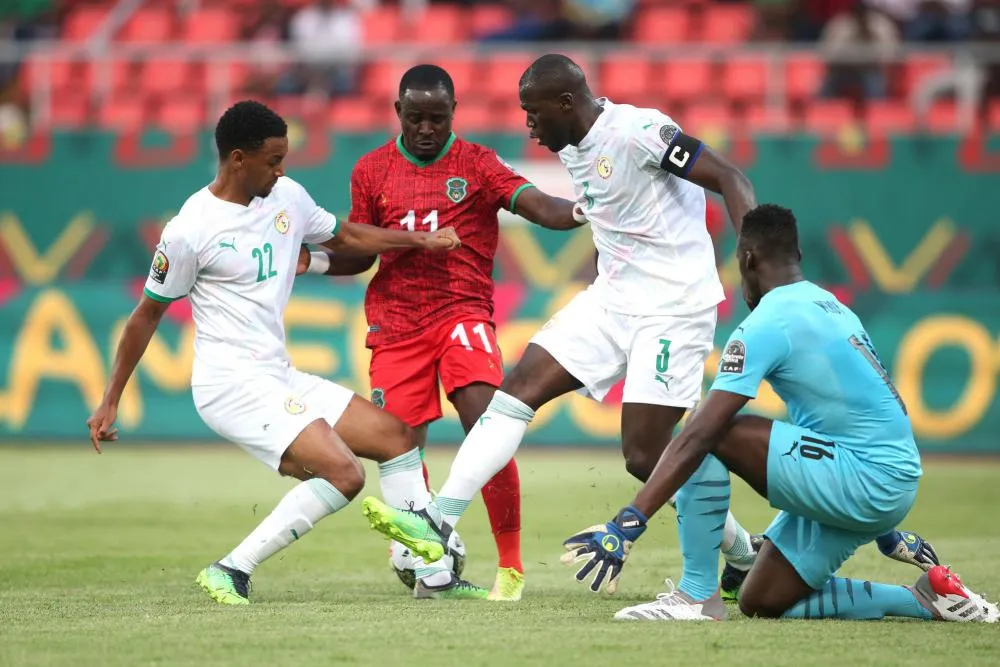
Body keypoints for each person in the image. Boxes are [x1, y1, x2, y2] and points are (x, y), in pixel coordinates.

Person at [358, 52, 777, 601]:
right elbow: (575, 209)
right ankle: (437, 520)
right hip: (612, 298)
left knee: (644, 456)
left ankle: (743, 554)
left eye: (533, 114)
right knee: (517, 390)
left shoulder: (639, 131)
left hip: (673, 307)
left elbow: (728, 176)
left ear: (565, 103)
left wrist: (757, 268)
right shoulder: (574, 145)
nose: (528, 126)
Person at [85, 100, 466, 605]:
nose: (281, 169)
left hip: (277, 374)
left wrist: (416, 241)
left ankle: (429, 570)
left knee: (394, 437)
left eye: (285, 158)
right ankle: (232, 568)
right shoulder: (189, 230)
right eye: (273, 160)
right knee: (345, 473)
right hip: (230, 386)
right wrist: (111, 397)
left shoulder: (285, 195)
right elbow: (146, 315)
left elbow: (345, 235)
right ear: (238, 159)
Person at [559, 204, 997, 623]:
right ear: (798, 256)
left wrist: (628, 522)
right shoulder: (834, 308)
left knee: (713, 429)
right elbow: (859, 419)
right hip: (884, 480)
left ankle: (695, 596)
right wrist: (885, 527)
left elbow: (702, 434)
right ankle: (927, 599)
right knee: (761, 600)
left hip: (865, 478)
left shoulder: (769, 322)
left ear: (747, 260)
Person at [301, 63, 586, 600]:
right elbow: (361, 253)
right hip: (396, 325)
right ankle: (427, 559)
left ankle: (511, 566)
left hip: (463, 313)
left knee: (487, 423)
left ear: (454, 114)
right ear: (398, 114)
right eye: (415, 118)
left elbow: (540, 207)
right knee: (400, 447)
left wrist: (585, 207)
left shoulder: (477, 163)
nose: (426, 129)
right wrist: (310, 262)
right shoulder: (371, 170)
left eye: (436, 118)